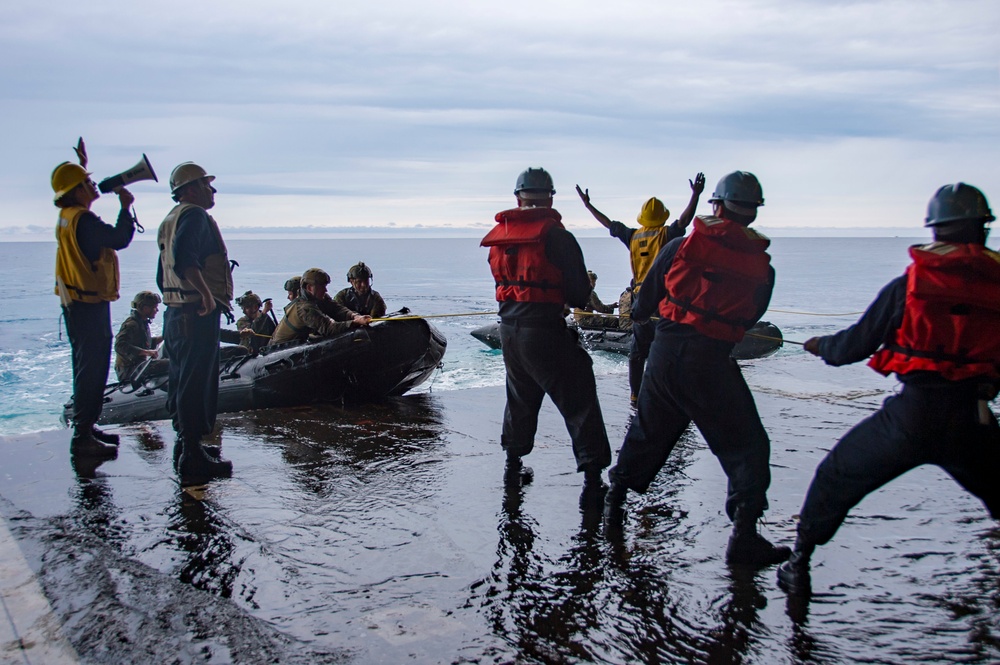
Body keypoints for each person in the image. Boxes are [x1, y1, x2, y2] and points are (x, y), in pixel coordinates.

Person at [777, 183, 1000, 596]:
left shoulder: (910, 285)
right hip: (973, 419)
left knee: (835, 476)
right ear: (982, 230)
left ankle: (798, 564)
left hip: (910, 418)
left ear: (934, 231)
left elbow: (853, 346)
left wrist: (820, 345)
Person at [603, 171, 790, 567]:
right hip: (711, 363)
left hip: (665, 358)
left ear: (716, 207)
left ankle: (612, 508)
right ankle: (744, 537)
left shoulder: (676, 249)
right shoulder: (762, 268)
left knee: (647, 434)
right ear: (752, 214)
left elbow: (641, 306)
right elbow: (751, 314)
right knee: (748, 448)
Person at [481, 167, 612, 509]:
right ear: (551, 198)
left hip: (508, 332)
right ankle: (594, 480)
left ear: (517, 198)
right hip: (545, 331)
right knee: (580, 399)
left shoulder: (500, 237)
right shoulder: (558, 237)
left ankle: (512, 466)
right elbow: (580, 295)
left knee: (520, 398)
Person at [576, 174, 705, 403]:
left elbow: (609, 224)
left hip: (640, 299)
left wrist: (588, 206)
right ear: (662, 217)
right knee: (669, 346)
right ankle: (672, 392)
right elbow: (684, 221)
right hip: (665, 299)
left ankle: (635, 394)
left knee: (637, 351)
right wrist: (695, 195)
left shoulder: (634, 236)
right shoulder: (667, 234)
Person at [53, 139, 137, 458]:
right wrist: (125, 208)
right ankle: (83, 436)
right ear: (76, 190)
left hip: (75, 303)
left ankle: (86, 427)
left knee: (84, 366)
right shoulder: (83, 220)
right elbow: (118, 239)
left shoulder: (70, 215)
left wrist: (83, 164)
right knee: (93, 369)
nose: (92, 184)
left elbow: (78, 196)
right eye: (87, 182)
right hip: (89, 305)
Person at [157, 162, 235, 483]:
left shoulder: (170, 220)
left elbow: (164, 269)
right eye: (206, 184)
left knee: (182, 379)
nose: (212, 190)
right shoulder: (195, 216)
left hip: (176, 310)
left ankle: (187, 447)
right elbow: (185, 260)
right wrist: (206, 294)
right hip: (195, 311)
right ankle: (192, 456)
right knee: (196, 382)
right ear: (190, 190)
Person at [269, 268, 371, 345]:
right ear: (309, 288)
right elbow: (328, 328)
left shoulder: (319, 297)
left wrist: (355, 316)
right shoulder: (304, 308)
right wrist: (355, 323)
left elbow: (337, 309)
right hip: (280, 350)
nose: (326, 290)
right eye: (322, 287)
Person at [114, 291, 163, 382]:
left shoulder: (141, 322)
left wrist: (165, 336)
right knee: (173, 364)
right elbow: (119, 345)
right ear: (145, 308)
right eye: (155, 307)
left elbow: (147, 342)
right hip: (130, 371)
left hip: (138, 366)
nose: (157, 310)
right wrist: (146, 352)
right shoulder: (132, 324)